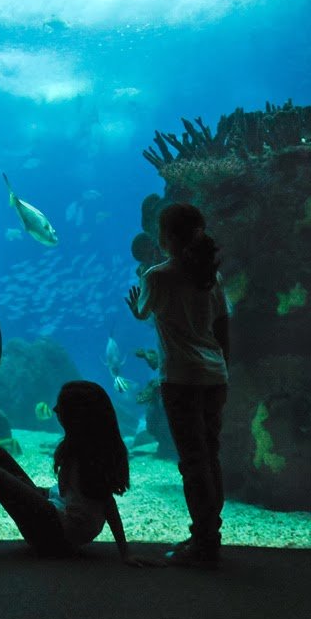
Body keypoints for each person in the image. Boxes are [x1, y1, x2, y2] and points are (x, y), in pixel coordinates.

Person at [0, 380, 162, 572]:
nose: (54, 409)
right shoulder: (89, 447)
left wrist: (125, 552)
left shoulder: (87, 455)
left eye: (60, 406)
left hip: (58, 535)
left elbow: (106, 501)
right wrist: (124, 551)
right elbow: (99, 501)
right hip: (57, 517)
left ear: (77, 416)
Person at [126, 201, 230, 569]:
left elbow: (143, 313)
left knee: (192, 460)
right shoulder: (209, 275)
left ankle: (204, 542)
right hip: (215, 377)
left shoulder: (157, 276)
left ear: (166, 237)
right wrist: (224, 368)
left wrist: (136, 305)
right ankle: (208, 533)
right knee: (210, 455)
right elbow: (223, 324)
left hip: (180, 379)